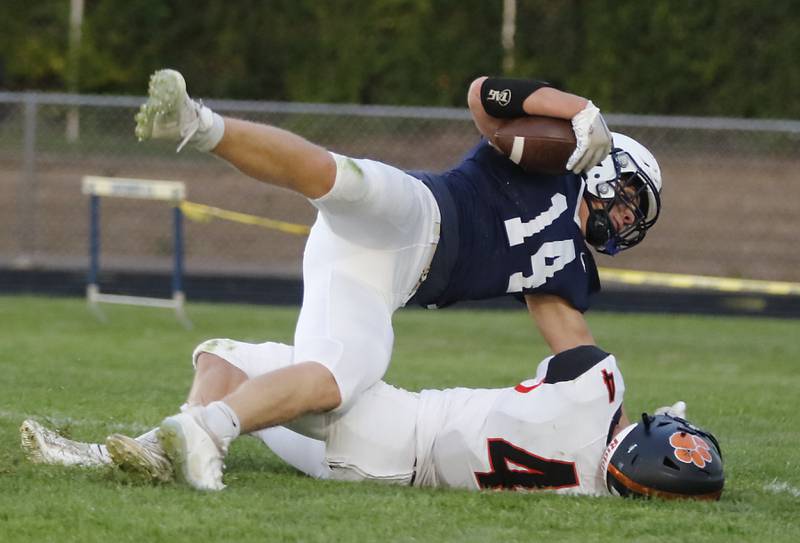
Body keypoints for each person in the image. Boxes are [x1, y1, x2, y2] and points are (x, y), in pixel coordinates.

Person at [124, 69, 663, 490]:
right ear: (608, 164)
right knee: (342, 179)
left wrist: (621, 437)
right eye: (632, 201)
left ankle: (197, 431)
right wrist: (579, 111)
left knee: (337, 380)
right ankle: (195, 123)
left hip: (383, 278)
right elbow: (483, 95)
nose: (625, 220)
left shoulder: (567, 270)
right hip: (420, 212)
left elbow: (584, 369)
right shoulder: (553, 157)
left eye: (635, 218)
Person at [21, 343, 723, 499]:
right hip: (378, 472)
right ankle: (172, 444)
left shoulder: (600, 385)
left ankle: (119, 453)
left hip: (388, 417)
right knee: (243, 410)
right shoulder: (592, 492)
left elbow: (561, 360)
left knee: (222, 356)